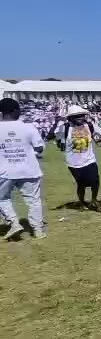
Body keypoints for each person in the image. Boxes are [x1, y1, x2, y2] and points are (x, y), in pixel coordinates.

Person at [0, 98, 47, 240]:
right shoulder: (28, 127)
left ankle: (14, 222)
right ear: (16, 111)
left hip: (5, 170)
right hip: (29, 169)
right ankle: (38, 230)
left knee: (2, 198)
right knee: (33, 200)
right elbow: (39, 147)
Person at [62, 105, 101, 212]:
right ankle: (81, 201)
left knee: (95, 180)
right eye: (77, 116)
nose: (80, 118)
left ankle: (94, 200)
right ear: (70, 118)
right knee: (81, 184)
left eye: (82, 115)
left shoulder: (89, 125)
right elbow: (51, 136)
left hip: (89, 159)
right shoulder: (66, 128)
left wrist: (100, 138)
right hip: (74, 163)